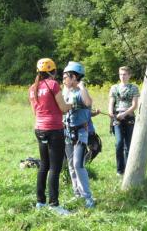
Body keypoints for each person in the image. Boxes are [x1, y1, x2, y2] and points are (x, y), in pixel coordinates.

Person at [29, 58, 72, 215]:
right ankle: (54, 204)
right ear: (52, 72)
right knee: (55, 167)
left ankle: (40, 202)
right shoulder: (53, 85)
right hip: (54, 129)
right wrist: (72, 104)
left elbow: (35, 111)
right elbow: (63, 108)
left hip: (39, 129)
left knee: (44, 166)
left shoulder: (32, 88)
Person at [61, 62, 95, 208]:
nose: (63, 79)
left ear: (74, 77)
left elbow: (88, 103)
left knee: (78, 164)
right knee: (70, 165)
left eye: (66, 77)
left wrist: (82, 87)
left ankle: (88, 198)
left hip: (81, 133)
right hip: (67, 133)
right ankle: (77, 194)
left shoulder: (81, 90)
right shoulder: (65, 91)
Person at [108, 66, 139, 175]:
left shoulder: (134, 88)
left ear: (129, 75)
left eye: (125, 74)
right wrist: (110, 112)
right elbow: (111, 102)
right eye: (121, 74)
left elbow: (135, 105)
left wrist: (124, 114)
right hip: (117, 118)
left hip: (129, 117)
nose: (122, 76)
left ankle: (128, 169)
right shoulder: (114, 88)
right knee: (119, 143)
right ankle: (120, 170)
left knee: (128, 144)